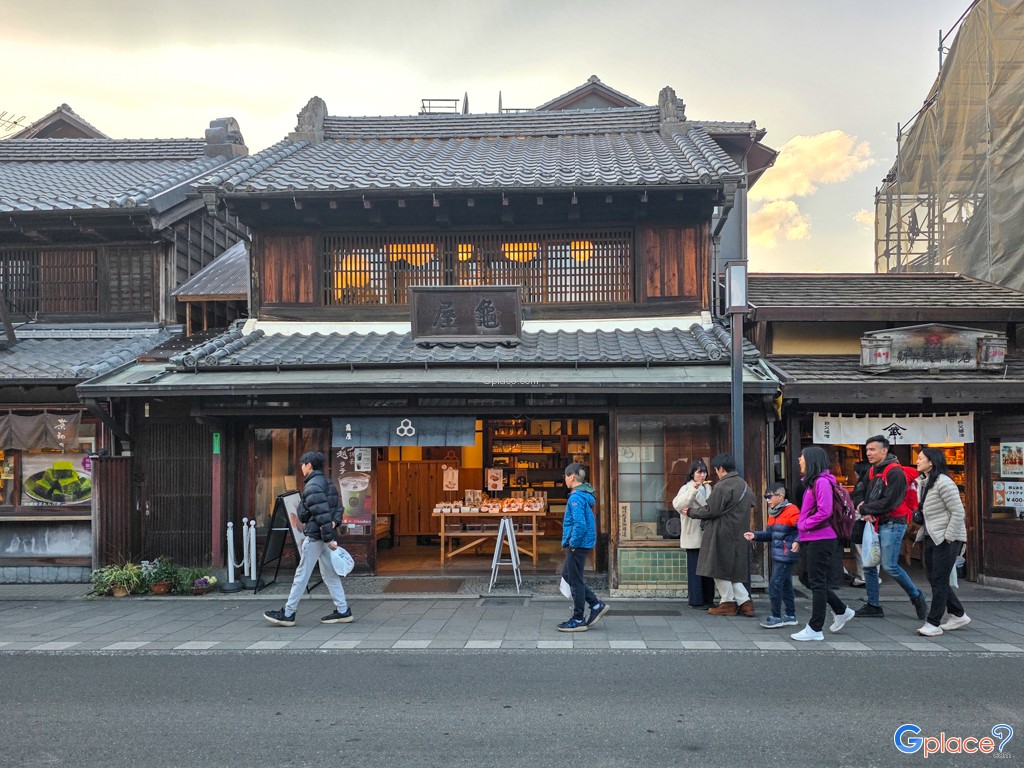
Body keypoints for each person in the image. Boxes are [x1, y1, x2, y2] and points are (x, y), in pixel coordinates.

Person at [264, 450, 354, 627]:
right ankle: (343, 610)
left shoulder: (312, 486)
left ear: (309, 465)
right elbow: (338, 508)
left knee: (302, 574)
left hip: (316, 537)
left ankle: (288, 613)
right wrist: (334, 525)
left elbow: (320, 515)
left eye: (302, 465)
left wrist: (329, 539)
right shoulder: (328, 482)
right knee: (330, 575)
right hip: (325, 536)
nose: (301, 468)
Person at [855, 435, 928, 620]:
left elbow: (891, 501)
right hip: (874, 522)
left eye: (872, 449)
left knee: (889, 565)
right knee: (869, 564)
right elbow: (858, 491)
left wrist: (866, 509)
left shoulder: (895, 472)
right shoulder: (871, 471)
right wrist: (862, 508)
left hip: (893, 523)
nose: (868, 453)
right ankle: (873, 605)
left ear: (884, 450)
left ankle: (917, 596)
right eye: (867, 449)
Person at [790, 446, 856, 641]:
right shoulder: (813, 483)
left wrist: (803, 524)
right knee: (806, 578)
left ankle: (815, 628)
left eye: (801, 458)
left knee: (816, 582)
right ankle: (841, 610)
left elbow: (824, 511)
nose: (799, 461)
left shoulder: (821, 482)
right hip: (812, 537)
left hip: (821, 538)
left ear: (810, 460)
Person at [685, 453, 754, 617]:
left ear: (721, 468)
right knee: (733, 570)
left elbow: (711, 510)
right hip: (739, 532)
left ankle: (727, 602)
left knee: (717, 567)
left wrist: (691, 512)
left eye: (716, 469)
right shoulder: (744, 485)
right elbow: (752, 503)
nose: (716, 473)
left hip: (721, 532)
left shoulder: (723, 486)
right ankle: (745, 603)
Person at [914, 448, 971, 636]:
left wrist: (948, 537)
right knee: (934, 577)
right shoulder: (926, 482)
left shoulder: (944, 483)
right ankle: (958, 613)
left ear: (932, 462)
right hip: (932, 536)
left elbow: (958, 511)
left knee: (939, 579)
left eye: (921, 458)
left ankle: (933, 622)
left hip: (947, 538)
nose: (917, 461)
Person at [556, 462, 608, 632]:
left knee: (575, 580)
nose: (564, 480)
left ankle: (578, 618)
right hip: (581, 544)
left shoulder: (576, 498)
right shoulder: (583, 495)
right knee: (568, 575)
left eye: (565, 476)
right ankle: (595, 604)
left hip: (577, 545)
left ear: (571, 477)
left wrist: (572, 543)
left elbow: (580, 524)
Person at [744, 482, 799, 628]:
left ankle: (776, 616)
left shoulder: (792, 510)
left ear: (780, 496)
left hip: (786, 554)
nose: (767, 500)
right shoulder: (773, 513)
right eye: (765, 497)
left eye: (769, 497)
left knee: (774, 584)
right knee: (786, 585)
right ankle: (791, 615)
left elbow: (801, 528)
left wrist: (797, 541)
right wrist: (754, 535)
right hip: (779, 554)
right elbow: (770, 534)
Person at [671, 459, 716, 609]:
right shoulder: (686, 487)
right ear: (692, 473)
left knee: (708, 568)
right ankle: (696, 600)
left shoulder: (709, 487)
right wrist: (693, 490)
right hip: (693, 532)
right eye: (699, 472)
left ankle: (709, 599)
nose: (702, 475)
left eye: (704, 472)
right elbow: (678, 505)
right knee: (695, 568)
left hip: (707, 532)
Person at [848, 461, 871, 587]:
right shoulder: (873, 483)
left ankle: (863, 578)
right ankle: (871, 578)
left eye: (856, 470)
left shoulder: (861, 485)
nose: (854, 473)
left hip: (860, 522)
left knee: (861, 551)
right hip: (870, 522)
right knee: (871, 551)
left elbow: (857, 503)